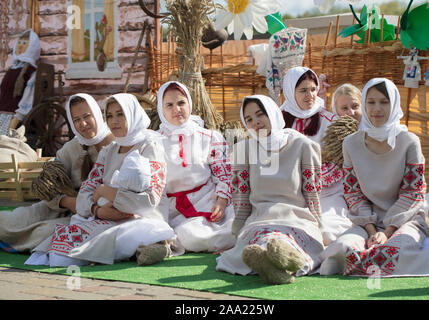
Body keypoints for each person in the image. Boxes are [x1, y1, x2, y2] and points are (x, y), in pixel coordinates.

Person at [26, 93, 176, 267]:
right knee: (60, 256)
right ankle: (141, 248)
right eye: (110, 116)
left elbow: (149, 201)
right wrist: (97, 210)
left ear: (133, 114)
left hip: (141, 218)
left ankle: (155, 245)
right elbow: (85, 192)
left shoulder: (149, 147)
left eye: (121, 114)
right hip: (106, 216)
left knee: (133, 233)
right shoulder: (109, 151)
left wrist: (104, 191)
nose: (114, 121)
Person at [319, 78, 429, 277]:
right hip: (366, 222)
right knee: (341, 249)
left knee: (393, 252)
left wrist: (386, 232)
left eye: (384, 102)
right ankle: (364, 261)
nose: (377, 109)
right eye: (371, 102)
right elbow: (352, 193)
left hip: (404, 221)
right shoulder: (351, 144)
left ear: (394, 104)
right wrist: (371, 231)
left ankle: (365, 264)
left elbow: (413, 193)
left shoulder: (408, 142)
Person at [216, 95, 325, 284]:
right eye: (248, 119)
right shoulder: (244, 149)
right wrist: (238, 229)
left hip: (297, 218)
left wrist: (318, 224)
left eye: (260, 115)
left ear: (273, 114)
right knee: (265, 238)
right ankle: (275, 263)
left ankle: (275, 260)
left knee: (287, 240)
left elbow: (312, 191)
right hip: (261, 217)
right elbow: (241, 194)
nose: (255, 122)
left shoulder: (302, 145)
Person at [0, 93, 114, 253]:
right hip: (64, 208)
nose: (83, 124)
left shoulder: (117, 145)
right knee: (8, 221)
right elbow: (48, 188)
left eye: (87, 116)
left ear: (98, 114)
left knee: (45, 232)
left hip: (98, 214)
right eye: (76, 120)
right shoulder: (70, 150)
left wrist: (90, 207)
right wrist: (67, 202)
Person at [157, 81, 235, 253]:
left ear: (189, 104)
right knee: (187, 235)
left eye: (181, 103)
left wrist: (221, 202)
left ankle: (233, 240)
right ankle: (226, 243)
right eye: (169, 105)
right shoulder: (154, 142)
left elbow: (224, 175)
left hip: (210, 199)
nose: (176, 109)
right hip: (177, 211)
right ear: (161, 109)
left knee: (237, 218)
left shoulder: (209, 137)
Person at [281, 66, 352, 246]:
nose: (310, 95)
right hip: (288, 192)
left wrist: (308, 182)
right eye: (303, 90)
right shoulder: (278, 121)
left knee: (326, 229)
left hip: (325, 193)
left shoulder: (330, 122)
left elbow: (338, 163)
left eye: (313, 89)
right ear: (290, 91)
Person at [0, 29, 40, 131]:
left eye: (25, 43)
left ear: (32, 48)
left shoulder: (30, 72)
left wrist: (17, 118)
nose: (20, 46)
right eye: (19, 43)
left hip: (14, 117)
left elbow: (28, 98)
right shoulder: (12, 69)